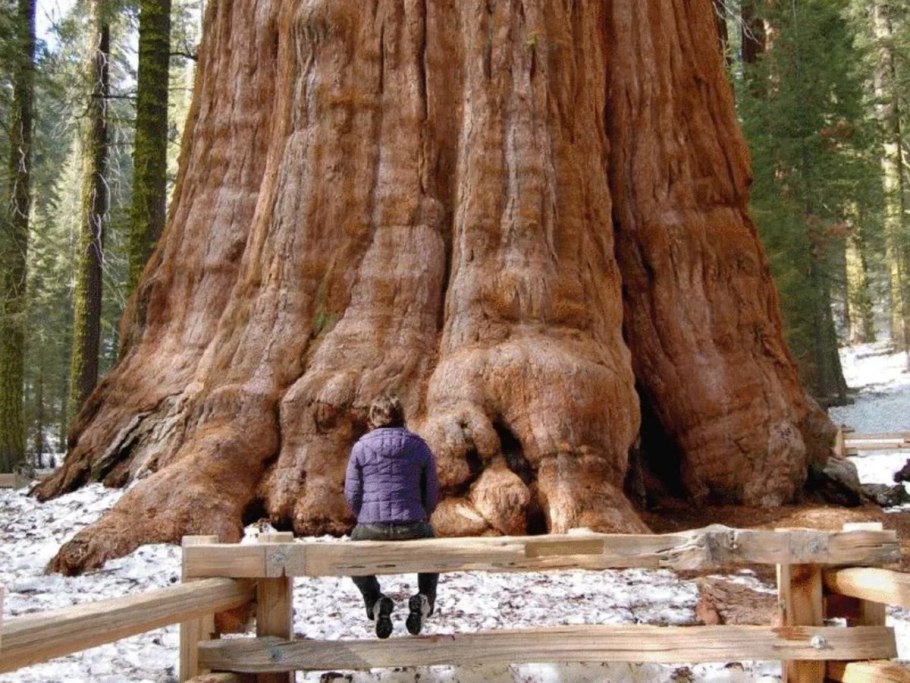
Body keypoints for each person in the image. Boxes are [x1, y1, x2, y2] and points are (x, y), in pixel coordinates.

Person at [344, 394, 439, 639]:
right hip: (414, 526)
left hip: (371, 527)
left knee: (351, 555)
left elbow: (352, 494)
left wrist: (364, 517)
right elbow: (431, 493)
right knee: (432, 549)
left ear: (372, 419)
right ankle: (424, 600)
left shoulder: (361, 447)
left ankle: (375, 600)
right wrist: (421, 516)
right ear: (401, 417)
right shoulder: (419, 446)